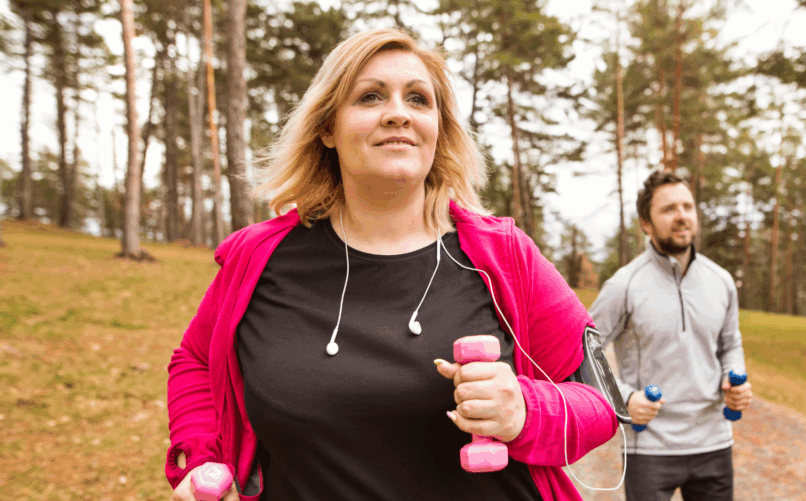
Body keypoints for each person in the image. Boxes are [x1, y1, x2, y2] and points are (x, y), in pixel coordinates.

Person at [165, 28, 618, 501]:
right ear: (327, 129)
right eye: (370, 97)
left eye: (419, 99)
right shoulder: (257, 259)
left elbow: (601, 405)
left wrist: (525, 412)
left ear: (438, 128)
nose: (398, 114)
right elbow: (195, 360)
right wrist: (202, 459)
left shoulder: (504, 256)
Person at [588, 170, 754, 501]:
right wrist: (624, 400)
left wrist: (733, 381)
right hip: (649, 448)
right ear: (645, 224)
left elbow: (730, 344)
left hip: (714, 442)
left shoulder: (721, 280)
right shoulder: (624, 285)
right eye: (668, 209)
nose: (682, 216)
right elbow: (583, 354)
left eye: (687, 207)